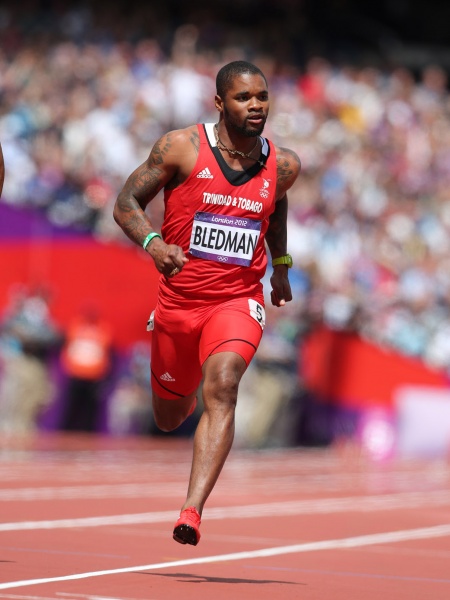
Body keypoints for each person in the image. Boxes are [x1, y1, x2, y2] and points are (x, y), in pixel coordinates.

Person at [113, 60, 301, 546]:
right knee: (169, 416)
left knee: (224, 385)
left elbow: (276, 203)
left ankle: (191, 511)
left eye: (262, 96)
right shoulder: (181, 147)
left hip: (237, 300)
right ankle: (186, 374)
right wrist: (154, 244)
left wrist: (280, 266)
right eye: (243, 97)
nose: (256, 105)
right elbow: (125, 203)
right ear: (219, 102)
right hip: (178, 303)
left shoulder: (283, 165)